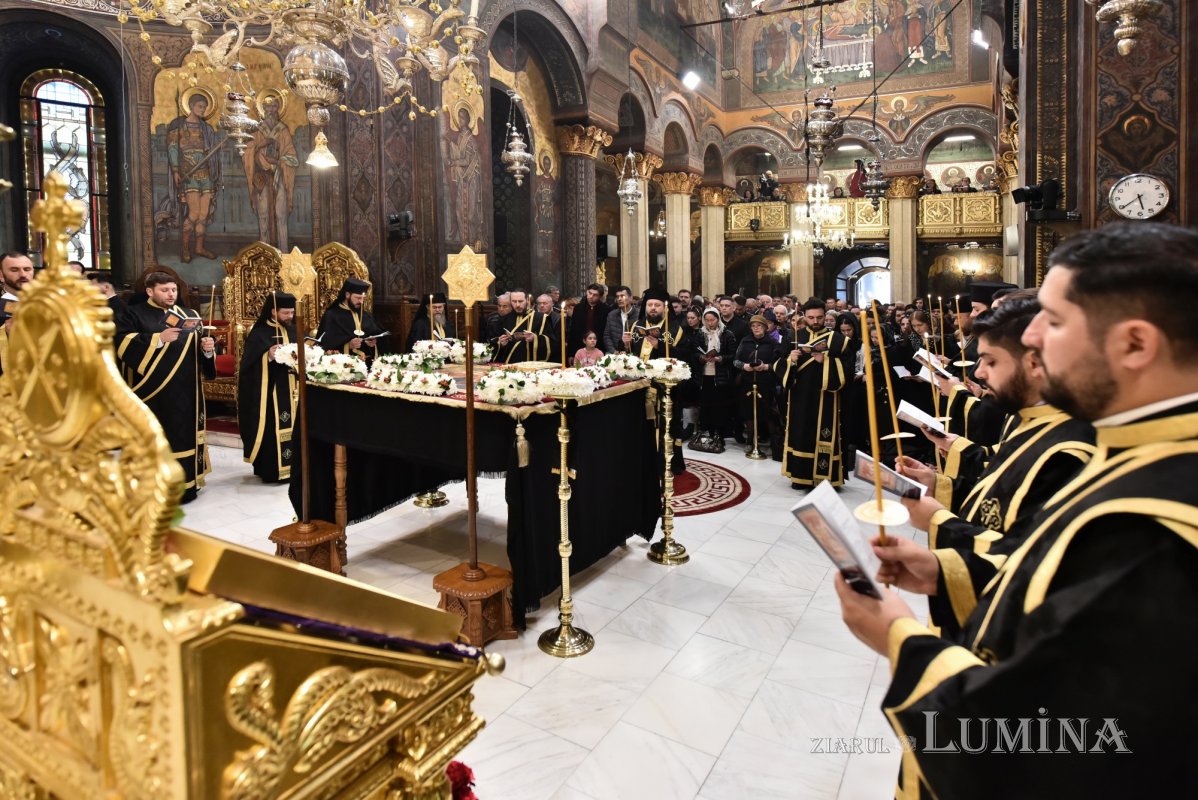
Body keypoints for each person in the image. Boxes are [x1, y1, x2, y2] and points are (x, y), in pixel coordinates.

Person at [835, 222, 1198, 798]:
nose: (1032, 341)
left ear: (1134, 344)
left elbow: (1043, 742)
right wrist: (944, 569)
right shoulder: (1132, 450)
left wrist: (897, 637)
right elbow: (1042, 573)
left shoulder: (1158, 526)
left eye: (1052, 322)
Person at [895, 297, 1097, 640]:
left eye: (990, 361)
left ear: (1034, 362)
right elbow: (999, 491)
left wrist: (937, 520)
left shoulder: (1070, 451)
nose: (977, 372)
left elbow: (1028, 564)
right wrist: (939, 484)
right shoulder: (1025, 418)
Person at [115, 271, 216, 503]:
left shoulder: (189, 314)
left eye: (173, 290)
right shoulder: (134, 313)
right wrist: (158, 339)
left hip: (187, 390)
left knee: (184, 435)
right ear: (150, 291)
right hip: (154, 392)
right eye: (165, 290)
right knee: (160, 436)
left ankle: (187, 485)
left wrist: (208, 348)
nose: (171, 294)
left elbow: (199, 353)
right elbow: (122, 343)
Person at [774, 297, 853, 488]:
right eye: (811, 317)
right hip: (800, 396)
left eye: (819, 317)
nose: (815, 321)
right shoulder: (794, 337)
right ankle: (800, 476)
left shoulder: (838, 340)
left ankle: (826, 478)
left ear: (825, 316)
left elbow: (848, 369)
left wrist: (824, 361)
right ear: (805, 316)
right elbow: (776, 364)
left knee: (823, 434)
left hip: (826, 397)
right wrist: (790, 361)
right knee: (800, 433)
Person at [238, 291, 299, 483]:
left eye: (292, 312)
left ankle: (296, 469)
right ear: (273, 311)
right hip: (271, 392)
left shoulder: (292, 329)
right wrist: (268, 356)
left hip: (294, 389)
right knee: (273, 429)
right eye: (286, 313)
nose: (290, 316)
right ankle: (272, 470)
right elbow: (248, 365)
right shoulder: (260, 332)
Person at [166, 91, 222, 262]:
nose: (203, 109)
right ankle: (184, 248)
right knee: (194, 212)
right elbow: (173, 149)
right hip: (188, 174)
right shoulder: (179, 128)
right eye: (200, 106)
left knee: (203, 214)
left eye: (205, 107)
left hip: (205, 173)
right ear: (190, 106)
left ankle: (199, 247)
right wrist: (176, 171)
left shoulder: (207, 129)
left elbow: (213, 150)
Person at [243, 93, 298, 250]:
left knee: (281, 215)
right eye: (268, 106)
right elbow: (248, 153)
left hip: (279, 177)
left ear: (278, 108)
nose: (271, 110)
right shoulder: (257, 130)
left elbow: (292, 156)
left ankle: (284, 253)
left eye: (274, 106)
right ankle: (265, 253)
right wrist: (261, 149)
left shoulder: (283, 130)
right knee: (263, 216)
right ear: (263, 108)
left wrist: (278, 161)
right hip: (261, 178)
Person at [735, 315, 785, 458]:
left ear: (765, 327)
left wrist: (766, 367)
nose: (756, 328)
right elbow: (735, 360)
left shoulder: (773, 342)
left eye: (759, 326)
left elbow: (779, 363)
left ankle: (774, 444)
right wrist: (744, 366)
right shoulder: (745, 341)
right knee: (749, 412)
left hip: (766, 382)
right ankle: (750, 441)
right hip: (747, 381)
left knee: (768, 412)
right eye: (753, 326)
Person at [691, 307, 737, 450]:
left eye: (713, 320)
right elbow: (694, 352)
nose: (710, 323)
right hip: (704, 376)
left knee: (719, 407)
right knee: (706, 405)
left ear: (718, 319)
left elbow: (733, 355)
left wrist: (720, 358)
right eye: (707, 320)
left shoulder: (727, 334)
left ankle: (719, 434)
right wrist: (701, 357)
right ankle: (708, 433)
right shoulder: (700, 334)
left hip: (720, 377)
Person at [317, 277, 388, 358]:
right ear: (347, 295)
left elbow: (378, 335)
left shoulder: (366, 315)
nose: (361, 302)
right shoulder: (331, 316)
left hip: (367, 364)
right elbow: (324, 345)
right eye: (358, 298)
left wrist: (374, 342)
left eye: (363, 298)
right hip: (343, 365)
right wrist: (348, 346)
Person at [491, 289, 555, 364]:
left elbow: (552, 342)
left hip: (532, 365)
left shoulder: (541, 318)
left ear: (527, 300)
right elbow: (494, 341)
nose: (517, 305)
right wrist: (501, 343)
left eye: (520, 301)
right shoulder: (504, 319)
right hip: (510, 365)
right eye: (514, 301)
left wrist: (535, 338)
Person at [1, 251, 35, 375]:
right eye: (14, 270)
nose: (23, 274)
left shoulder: (44, 305)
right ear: (1, 274)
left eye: (27, 269)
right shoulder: (3, 307)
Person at [568, 283, 611, 355]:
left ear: (600, 296)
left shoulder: (606, 310)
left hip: (598, 347)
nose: (591, 296)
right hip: (580, 347)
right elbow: (573, 331)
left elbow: (605, 332)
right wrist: (571, 353)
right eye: (590, 293)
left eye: (595, 295)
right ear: (587, 292)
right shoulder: (578, 308)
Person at [605, 285, 639, 353]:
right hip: (616, 354)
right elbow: (607, 336)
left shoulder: (639, 314)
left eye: (622, 296)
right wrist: (613, 351)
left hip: (634, 354)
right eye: (617, 297)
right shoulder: (612, 315)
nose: (619, 299)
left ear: (630, 298)